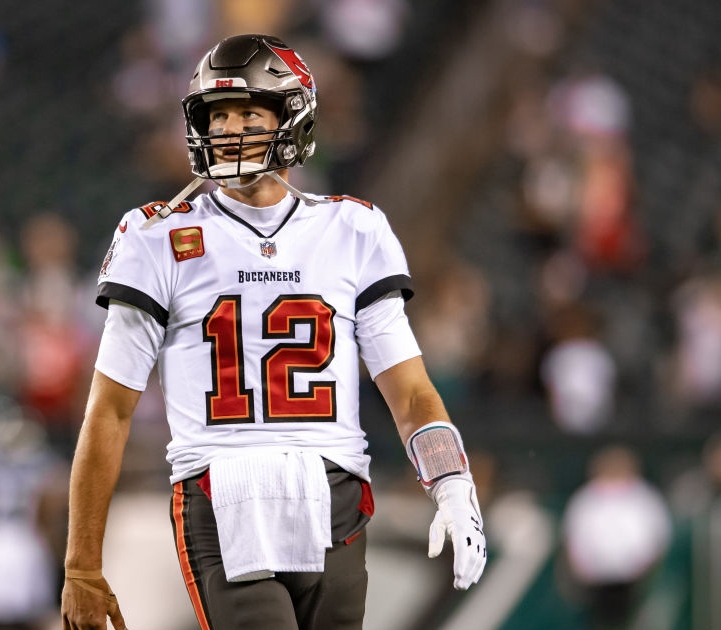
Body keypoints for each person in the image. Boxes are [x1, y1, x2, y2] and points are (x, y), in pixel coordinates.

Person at [60, 33, 487, 630]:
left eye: (248, 112)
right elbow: (108, 410)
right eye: (218, 114)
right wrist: (81, 564)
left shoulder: (352, 229)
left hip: (334, 490)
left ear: (291, 118)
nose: (229, 128)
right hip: (221, 489)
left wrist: (452, 483)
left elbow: (410, 392)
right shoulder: (156, 238)